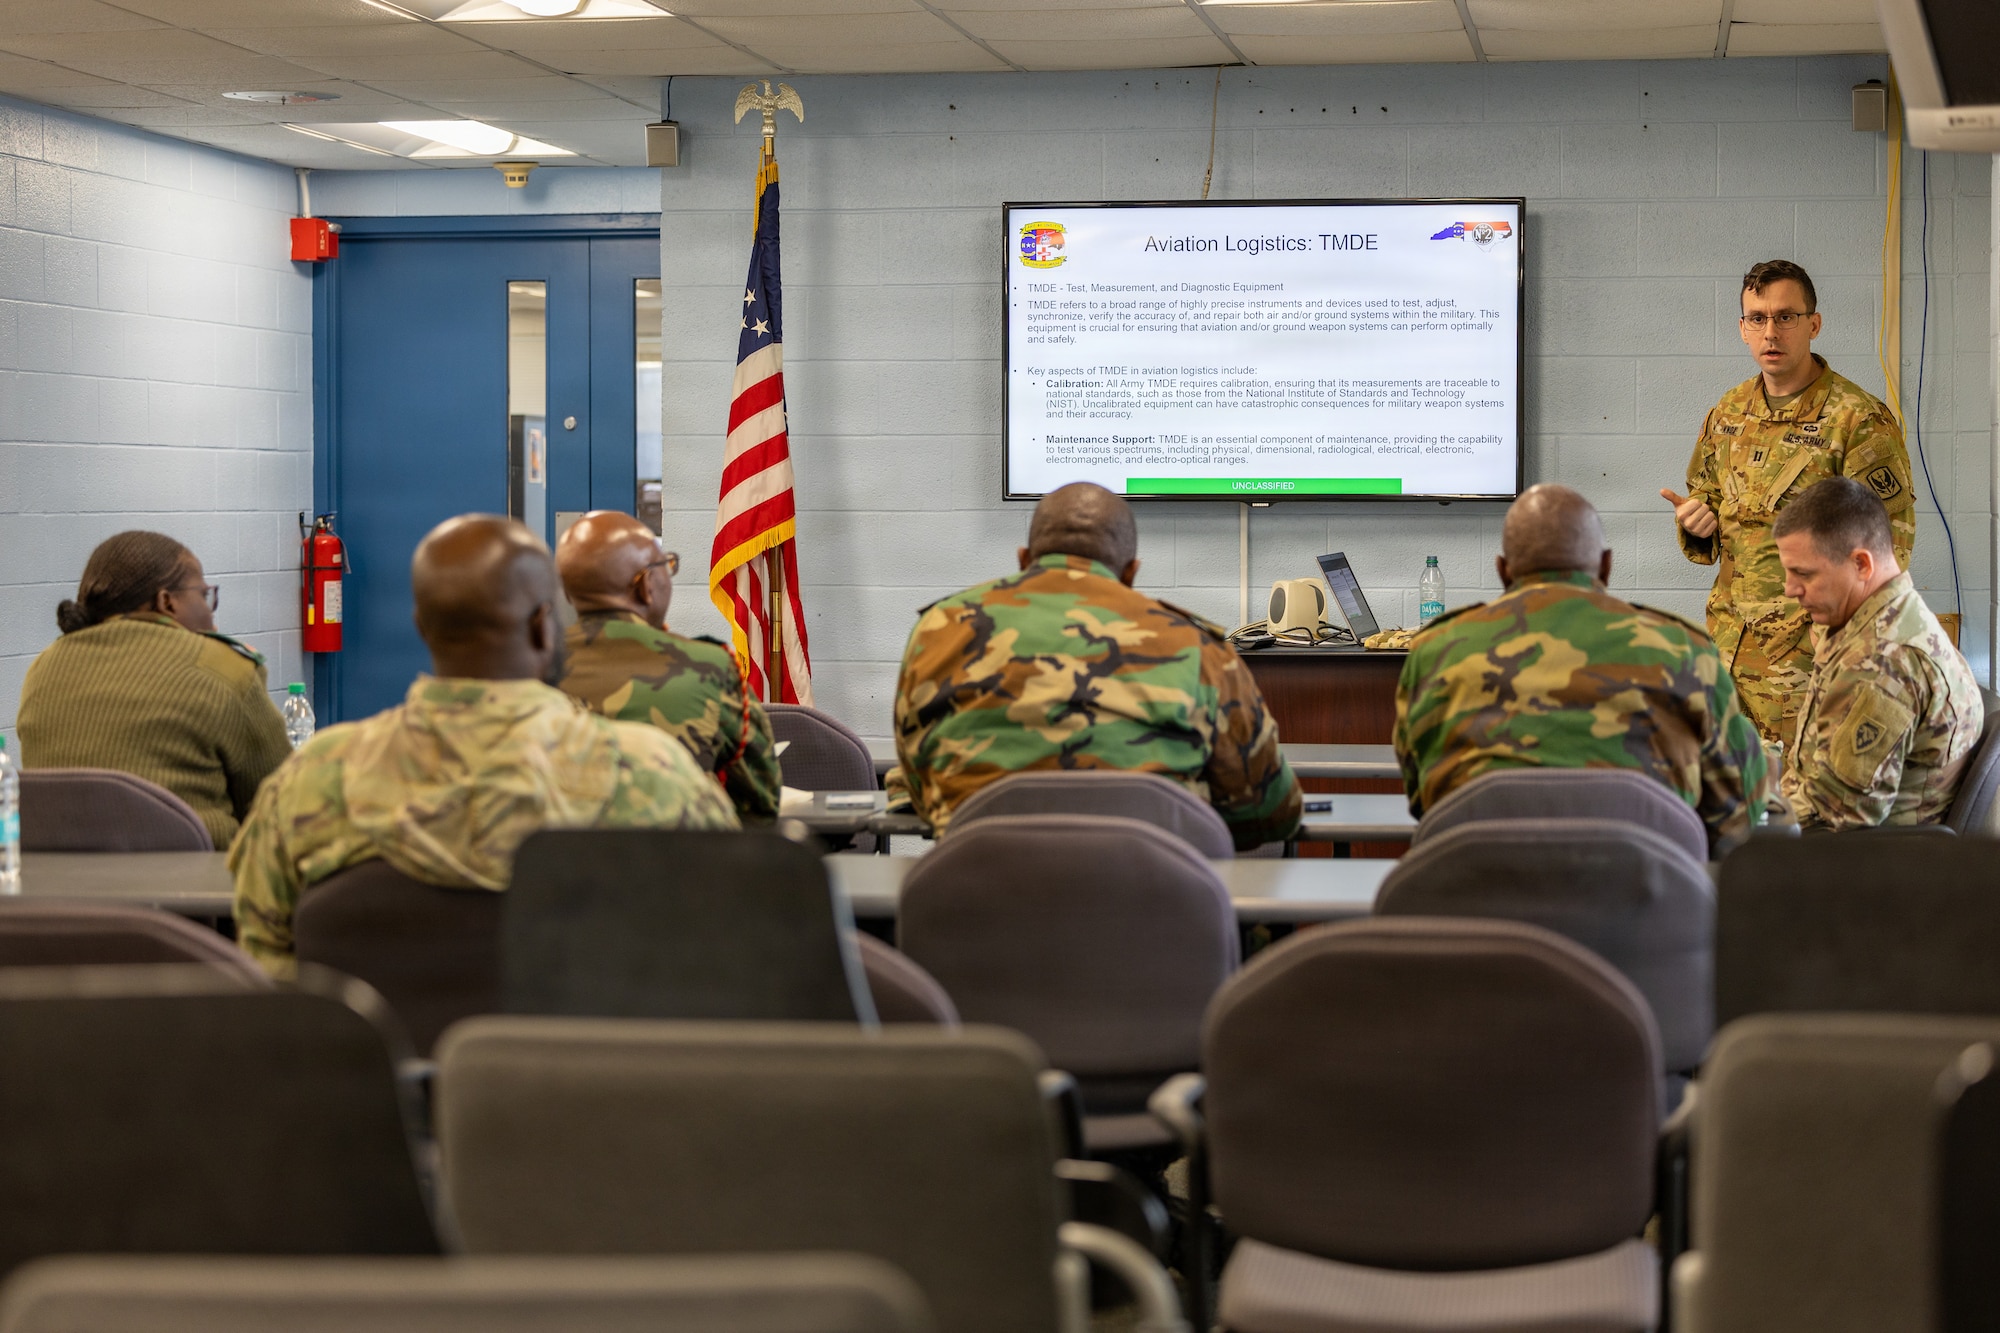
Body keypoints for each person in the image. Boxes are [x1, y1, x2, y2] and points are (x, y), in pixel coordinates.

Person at [231, 515, 740, 978]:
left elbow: (262, 960)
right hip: (595, 1070)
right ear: (544, 628)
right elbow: (728, 941)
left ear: (423, 629)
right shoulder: (653, 775)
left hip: (373, 1070)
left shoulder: (315, 779)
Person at [892, 482, 1300, 851]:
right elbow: (1268, 812)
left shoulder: (939, 630)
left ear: (1024, 559)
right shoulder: (1196, 647)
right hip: (1159, 914)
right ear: (1130, 572)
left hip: (972, 914)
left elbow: (920, 782)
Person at [1395, 484, 1770, 853]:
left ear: (1503, 571)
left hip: (1476, 892)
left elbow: (1421, 798)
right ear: (1605, 567)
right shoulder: (1683, 651)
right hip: (1645, 900)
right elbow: (1735, 815)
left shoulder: (1436, 651)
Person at [1662, 258, 1913, 745]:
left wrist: (1840, 643)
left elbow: (1890, 549)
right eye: (1757, 318)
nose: (1770, 331)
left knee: (1807, 808)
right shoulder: (1729, 410)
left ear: (1813, 324)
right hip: (1730, 643)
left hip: (1807, 654)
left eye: (1786, 316)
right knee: (1729, 794)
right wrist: (1696, 521)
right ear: (1742, 329)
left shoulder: (1856, 420)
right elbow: (1708, 497)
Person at [16, 531, 291, 847]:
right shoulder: (223, 668)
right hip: (198, 890)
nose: (212, 618)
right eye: (203, 596)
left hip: (60, 891)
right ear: (166, 602)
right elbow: (284, 805)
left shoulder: (44, 668)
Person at [1773, 478, 1981, 829]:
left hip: (1865, 868)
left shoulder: (1882, 660)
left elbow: (1834, 818)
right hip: (1852, 849)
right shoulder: (1884, 619)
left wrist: (1739, 819)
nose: (1790, 589)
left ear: (1862, 565)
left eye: (1803, 574)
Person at [555, 511, 780, 821]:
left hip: (554, 866)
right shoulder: (709, 668)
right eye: (666, 565)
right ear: (646, 585)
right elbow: (760, 803)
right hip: (679, 864)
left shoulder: (531, 671)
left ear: (568, 593)